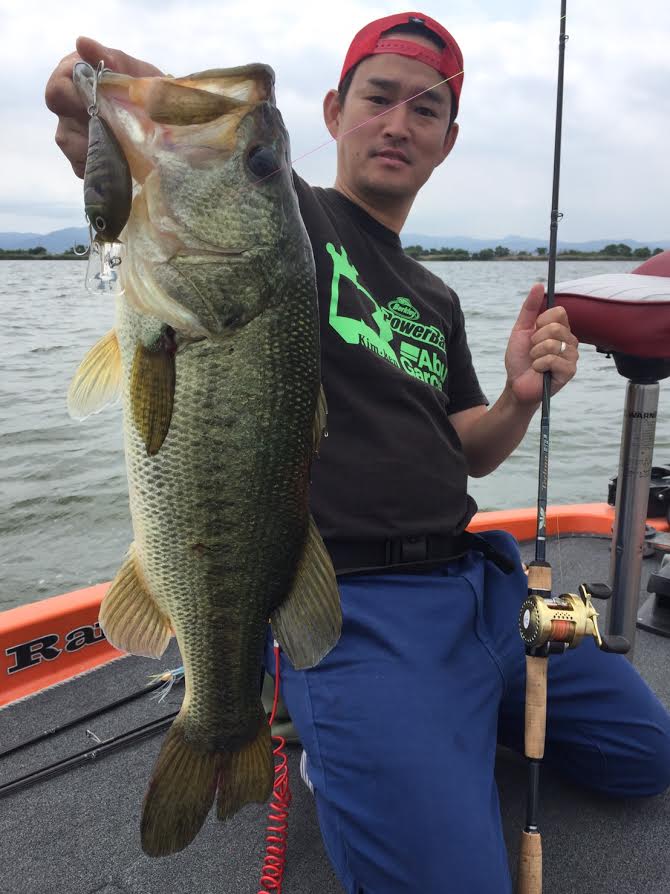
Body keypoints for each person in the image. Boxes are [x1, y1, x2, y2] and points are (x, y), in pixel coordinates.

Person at [45, 12, 670, 893]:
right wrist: (100, 104)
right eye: (380, 99)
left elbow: (468, 448)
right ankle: (339, 722)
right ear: (336, 111)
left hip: (480, 587)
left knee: (645, 757)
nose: (398, 125)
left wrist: (520, 400)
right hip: (358, 605)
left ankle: (437, 722)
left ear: (447, 143)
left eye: (426, 112)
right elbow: (190, 166)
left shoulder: (436, 295)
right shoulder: (291, 218)